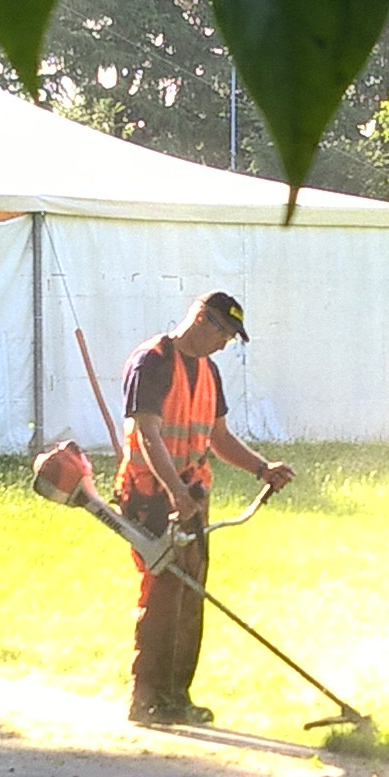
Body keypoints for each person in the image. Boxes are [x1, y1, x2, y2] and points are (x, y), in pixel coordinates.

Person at [116, 291, 293, 726]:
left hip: (191, 497)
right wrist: (174, 490)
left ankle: (177, 696)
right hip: (150, 497)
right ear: (201, 319)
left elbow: (218, 438)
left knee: (190, 595)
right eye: (224, 333)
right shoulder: (153, 361)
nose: (225, 344)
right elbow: (147, 436)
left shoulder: (209, 372)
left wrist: (261, 468)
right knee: (162, 595)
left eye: (231, 338)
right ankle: (147, 699)